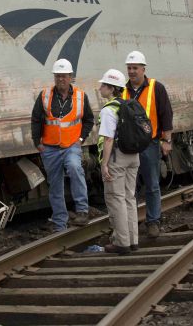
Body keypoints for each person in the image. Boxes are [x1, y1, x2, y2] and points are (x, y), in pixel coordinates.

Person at [31, 58, 95, 231]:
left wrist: (81, 139)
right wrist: (37, 142)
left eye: (64, 76)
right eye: (57, 76)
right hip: (49, 148)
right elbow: (36, 119)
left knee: (75, 168)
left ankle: (82, 211)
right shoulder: (45, 96)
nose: (61, 79)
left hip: (71, 146)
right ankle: (60, 222)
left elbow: (89, 120)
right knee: (55, 185)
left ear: (70, 77)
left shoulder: (81, 96)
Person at [123, 51, 173, 238]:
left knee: (152, 184)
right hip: (128, 146)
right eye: (129, 68)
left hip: (150, 144)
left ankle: (153, 221)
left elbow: (166, 114)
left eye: (135, 68)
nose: (132, 71)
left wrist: (167, 140)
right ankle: (131, 223)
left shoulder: (155, 87)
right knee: (130, 186)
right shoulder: (123, 90)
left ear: (143, 69)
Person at [97, 69, 140, 254]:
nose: (100, 88)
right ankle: (133, 240)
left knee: (116, 199)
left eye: (103, 85)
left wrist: (104, 164)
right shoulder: (130, 104)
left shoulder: (109, 110)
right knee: (129, 198)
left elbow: (108, 140)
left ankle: (122, 243)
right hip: (133, 156)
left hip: (117, 158)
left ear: (111, 88)